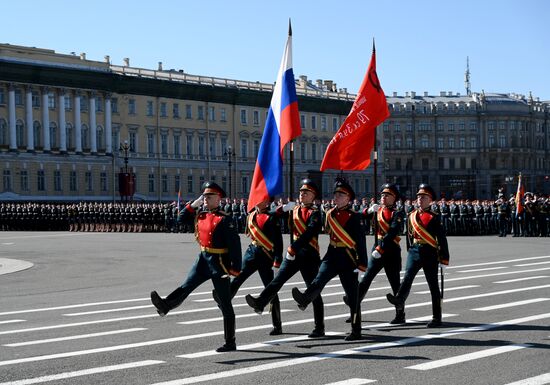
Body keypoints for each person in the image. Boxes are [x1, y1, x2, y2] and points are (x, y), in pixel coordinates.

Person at [150, 181, 242, 352]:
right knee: (186, 286)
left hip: (219, 262)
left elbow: (235, 245)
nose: (206, 199)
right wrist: (193, 205)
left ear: (218, 198)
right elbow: (180, 219)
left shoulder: (225, 219)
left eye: (209, 196)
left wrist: (235, 268)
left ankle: (230, 341)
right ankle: (165, 305)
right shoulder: (201, 214)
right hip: (203, 259)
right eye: (204, 196)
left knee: (225, 303)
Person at [245, 179, 325, 338]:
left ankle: (319, 327)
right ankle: (261, 302)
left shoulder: (316, 213)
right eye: (301, 192)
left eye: (306, 193)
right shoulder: (294, 209)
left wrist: (294, 247)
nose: (302, 194)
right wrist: (281, 209)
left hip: (308, 255)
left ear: (313, 196)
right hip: (293, 255)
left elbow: (309, 233)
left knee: (313, 291)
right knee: (277, 280)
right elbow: (271, 215)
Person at [291, 178, 367, 341]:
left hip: (347, 258)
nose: (336, 197)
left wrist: (362, 264)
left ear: (348, 198)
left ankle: (356, 329)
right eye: (335, 194)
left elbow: (360, 241)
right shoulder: (330, 214)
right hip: (332, 254)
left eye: (340, 195)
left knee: (352, 296)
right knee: (319, 280)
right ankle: (305, 298)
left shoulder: (355, 217)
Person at [213, 197, 283, 335]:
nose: (258, 201)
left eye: (261, 199)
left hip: (265, 255)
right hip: (252, 253)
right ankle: (224, 299)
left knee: (270, 289)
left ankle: (277, 325)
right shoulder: (251, 215)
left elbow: (278, 241)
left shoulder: (272, 217)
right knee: (238, 277)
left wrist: (277, 259)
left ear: (267, 202)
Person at [386, 183, 450, 328]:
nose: (420, 199)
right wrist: (410, 250)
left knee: (433, 285)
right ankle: (399, 300)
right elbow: (409, 235)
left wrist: (444, 259)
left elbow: (441, 239)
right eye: (419, 197)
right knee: (407, 278)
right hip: (415, 251)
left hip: (430, 252)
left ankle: (436, 317)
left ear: (430, 200)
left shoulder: (434, 217)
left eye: (424, 197)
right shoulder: (411, 215)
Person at [344, 183, 405, 324]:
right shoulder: (377, 210)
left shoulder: (398, 213)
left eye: (387, 195)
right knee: (365, 281)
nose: (383, 197)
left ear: (394, 197)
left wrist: (380, 248)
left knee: (395, 284)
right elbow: (357, 218)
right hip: (376, 251)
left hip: (391, 252)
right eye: (382, 195)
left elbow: (392, 233)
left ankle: (400, 314)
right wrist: (368, 211)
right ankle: (354, 310)